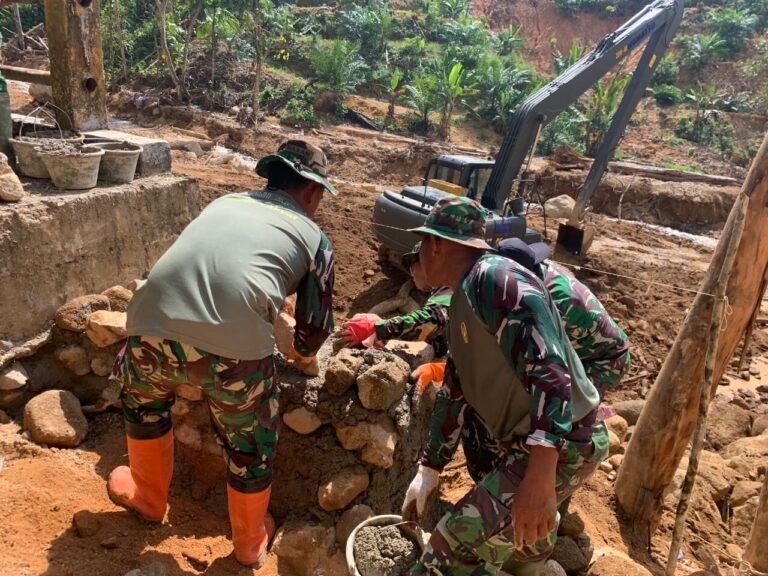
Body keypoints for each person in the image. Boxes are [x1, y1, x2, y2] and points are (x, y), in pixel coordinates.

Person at [108, 140, 337, 569]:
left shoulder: (225, 202)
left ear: (270, 178)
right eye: (320, 195)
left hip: (148, 328)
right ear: (312, 190)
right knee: (249, 445)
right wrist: (303, 357)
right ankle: (249, 544)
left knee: (143, 404)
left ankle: (148, 500)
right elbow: (315, 330)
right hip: (235, 358)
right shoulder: (316, 239)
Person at [401, 197, 609, 576]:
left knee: (451, 546)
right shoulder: (464, 296)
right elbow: (456, 389)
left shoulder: (495, 279)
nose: (420, 252)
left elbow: (549, 365)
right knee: (517, 543)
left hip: (564, 443)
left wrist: (540, 474)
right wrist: (430, 467)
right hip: (535, 443)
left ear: (436, 244)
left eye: (422, 243)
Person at [496, 238, 630, 393]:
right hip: (581, 347)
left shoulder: (556, 304)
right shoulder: (542, 268)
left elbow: (541, 355)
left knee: (559, 400)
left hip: (605, 361)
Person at [340, 242, 452, 357]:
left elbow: (433, 318)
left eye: (412, 263)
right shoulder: (444, 289)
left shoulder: (452, 288)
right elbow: (444, 337)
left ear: (427, 263)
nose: (411, 272)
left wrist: (380, 328)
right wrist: (386, 337)